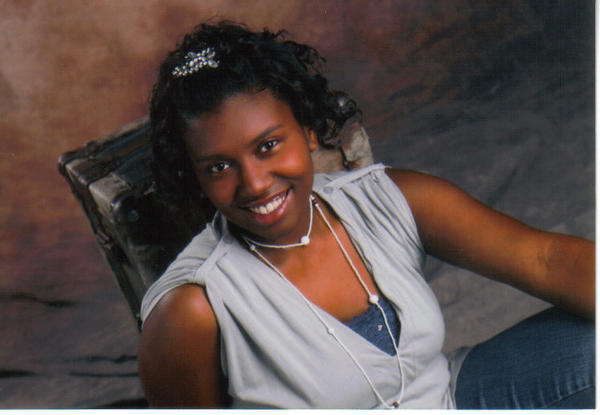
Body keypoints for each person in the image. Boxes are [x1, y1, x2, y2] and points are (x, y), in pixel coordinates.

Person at [137, 22, 594, 409]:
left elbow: (546, 260)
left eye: (268, 146)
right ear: (195, 177)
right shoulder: (192, 310)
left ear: (308, 131)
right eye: (219, 167)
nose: (255, 183)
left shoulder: (387, 198)